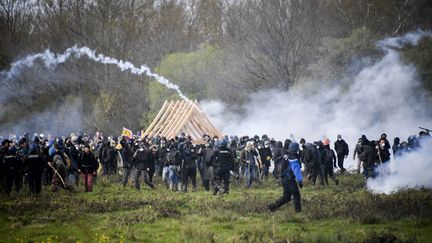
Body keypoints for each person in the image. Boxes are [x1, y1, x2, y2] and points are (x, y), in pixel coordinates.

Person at [267, 143, 302, 213]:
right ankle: (298, 212)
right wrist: (300, 181)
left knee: (287, 196)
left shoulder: (286, 156)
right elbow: (296, 170)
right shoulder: (293, 158)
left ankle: (273, 206)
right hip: (290, 179)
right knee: (296, 194)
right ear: (296, 149)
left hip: (283, 178)